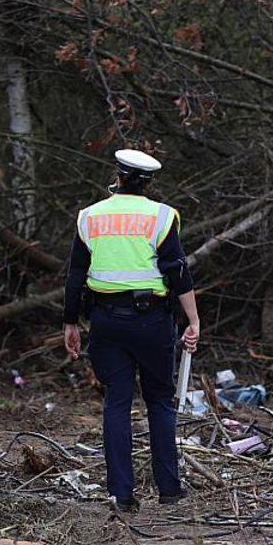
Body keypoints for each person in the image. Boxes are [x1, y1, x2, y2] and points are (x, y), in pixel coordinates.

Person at [63, 149, 201, 513]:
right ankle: (169, 487)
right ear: (149, 182)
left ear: (117, 176)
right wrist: (193, 321)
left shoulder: (89, 217)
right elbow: (177, 271)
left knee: (117, 403)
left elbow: (76, 274)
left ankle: (121, 495)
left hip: (106, 321)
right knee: (158, 401)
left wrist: (69, 321)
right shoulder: (161, 216)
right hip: (153, 322)